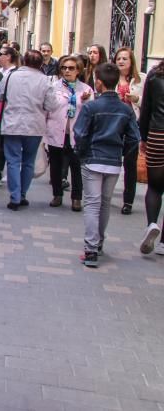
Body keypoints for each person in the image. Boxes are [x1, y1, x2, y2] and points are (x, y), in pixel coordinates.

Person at [73, 63, 141, 267]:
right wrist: (121, 153)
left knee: (93, 204)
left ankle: (91, 249)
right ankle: (98, 243)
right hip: (112, 161)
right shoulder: (124, 109)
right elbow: (134, 137)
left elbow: (80, 133)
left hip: (93, 159)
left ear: (99, 83)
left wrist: (82, 153)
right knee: (104, 203)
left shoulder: (92, 107)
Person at [0, 50, 58, 210]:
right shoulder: (45, 80)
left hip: (12, 124)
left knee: (13, 160)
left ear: (23, 61)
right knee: (28, 161)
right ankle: (23, 194)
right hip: (34, 126)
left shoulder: (10, 76)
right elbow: (52, 105)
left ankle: (15, 196)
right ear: (40, 64)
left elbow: (0, 95)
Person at [45, 55, 94, 210]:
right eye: (64, 68)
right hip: (56, 131)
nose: (67, 71)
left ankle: (76, 198)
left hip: (77, 135)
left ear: (78, 70)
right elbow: (47, 109)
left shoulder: (86, 89)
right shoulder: (54, 87)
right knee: (56, 165)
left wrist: (85, 101)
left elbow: (91, 114)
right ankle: (57, 194)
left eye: (71, 68)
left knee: (76, 166)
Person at [114, 47, 145, 214]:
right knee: (112, 162)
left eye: (125, 58)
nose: (121, 61)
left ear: (131, 61)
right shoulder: (111, 79)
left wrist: (137, 99)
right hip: (114, 126)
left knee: (130, 165)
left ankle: (128, 201)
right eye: (119, 58)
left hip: (132, 126)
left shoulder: (141, 80)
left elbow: (147, 102)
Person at [138, 59, 164, 255]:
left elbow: (146, 109)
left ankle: (152, 224)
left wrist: (144, 137)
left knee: (154, 187)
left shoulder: (155, 75)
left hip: (158, 135)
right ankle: (163, 243)